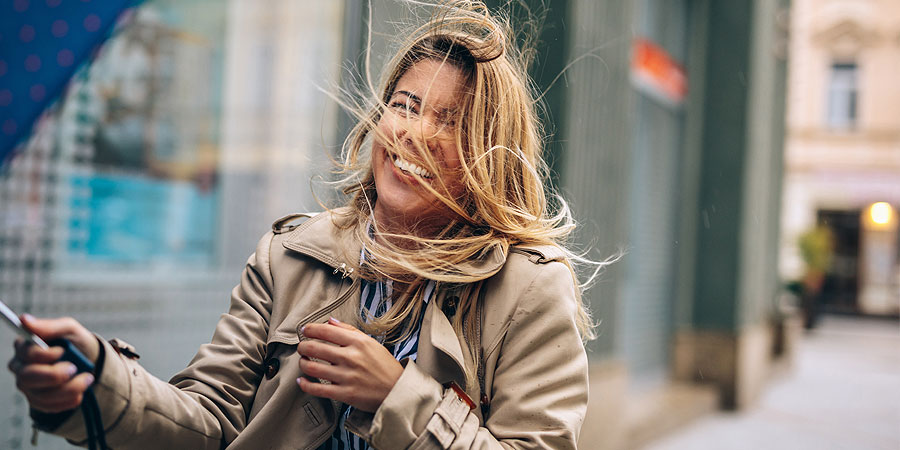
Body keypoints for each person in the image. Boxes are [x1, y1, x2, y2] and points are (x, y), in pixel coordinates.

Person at [8, 1, 601, 448]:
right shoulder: (290, 254)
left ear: (489, 154)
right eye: (405, 104)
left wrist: (398, 397)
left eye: (450, 120)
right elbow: (209, 421)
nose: (414, 133)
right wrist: (100, 385)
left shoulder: (528, 289)